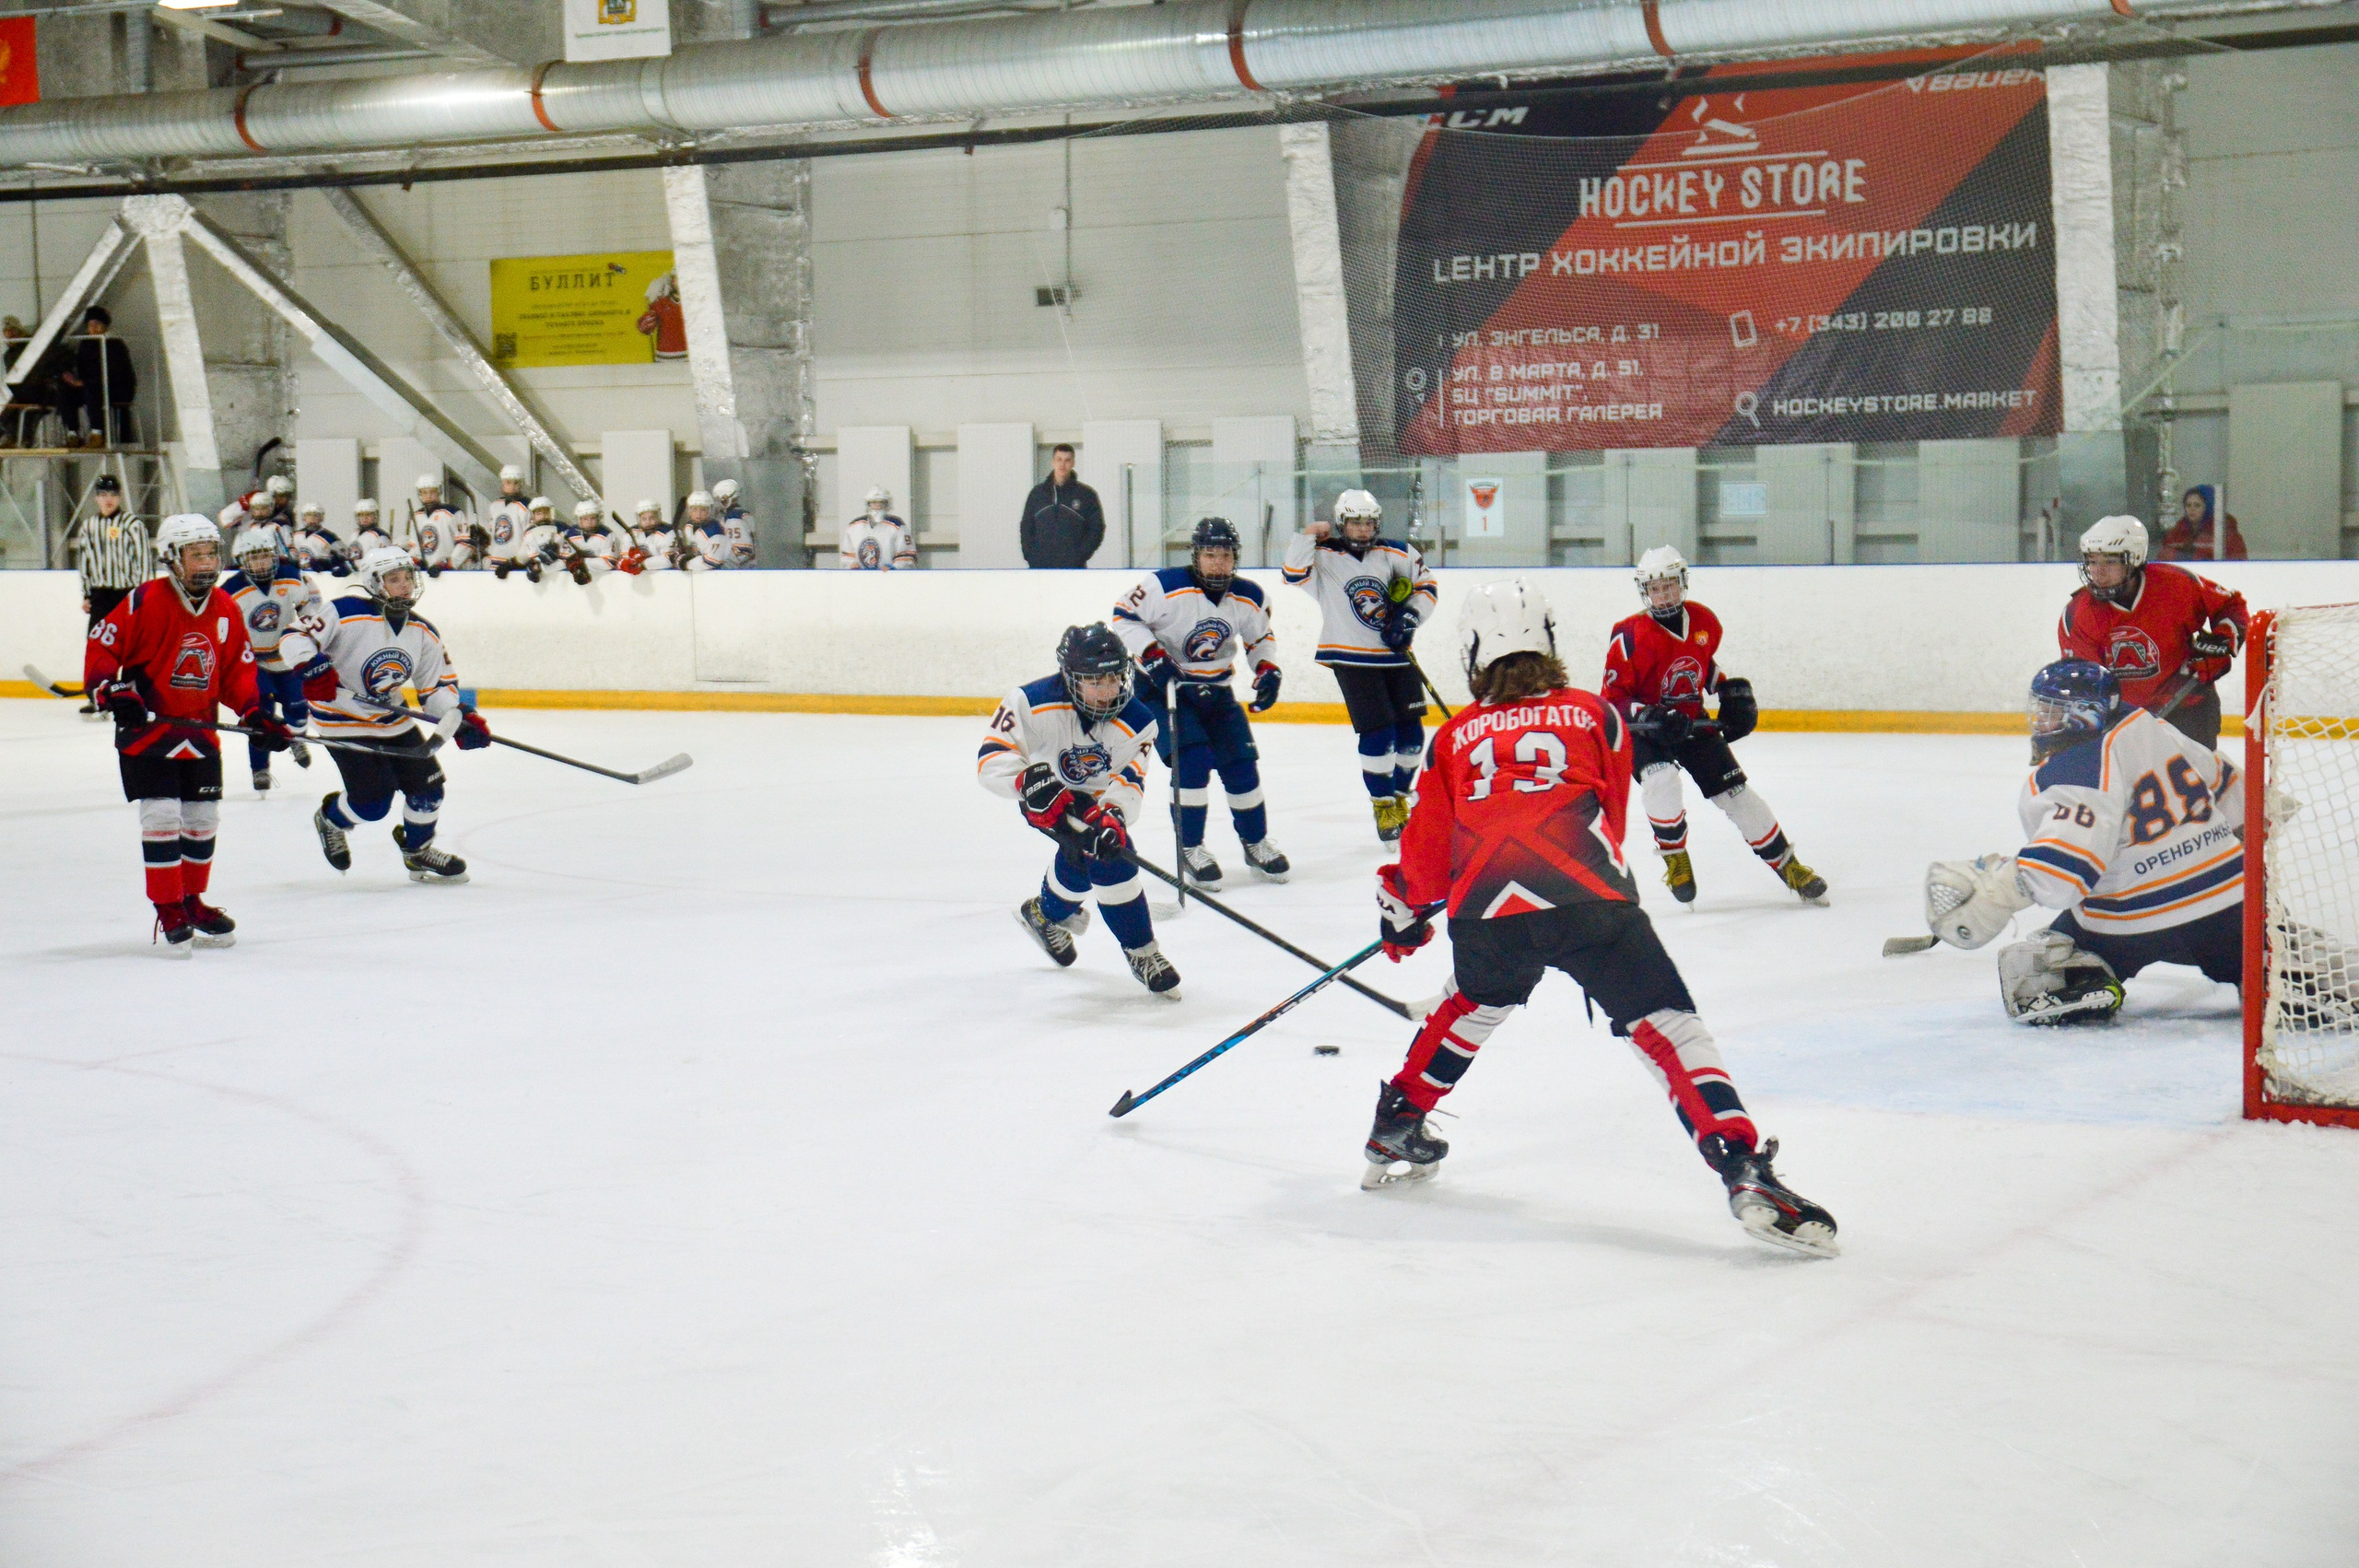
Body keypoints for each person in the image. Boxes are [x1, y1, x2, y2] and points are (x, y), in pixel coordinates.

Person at [1362, 578, 1838, 1257]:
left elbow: (1426, 859)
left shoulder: (1453, 739)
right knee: (1671, 1029)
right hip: (1590, 900)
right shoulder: (1595, 715)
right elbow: (1609, 815)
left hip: (1487, 912)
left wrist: (1403, 912)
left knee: (1470, 1005)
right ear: (1548, 642)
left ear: (1474, 652)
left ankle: (1397, 1121)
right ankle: (1741, 1169)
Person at [1921, 660, 2248, 1025]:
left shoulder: (2072, 773)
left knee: (2036, 972)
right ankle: (2274, 971)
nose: (2040, 720)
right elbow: (2226, 781)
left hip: (2132, 922)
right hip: (2228, 904)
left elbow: (2065, 872)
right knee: (2259, 948)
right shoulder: (2150, 725)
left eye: (2050, 711)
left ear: (2083, 715)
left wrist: (2000, 889)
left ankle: (2090, 983)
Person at [82, 514, 292, 953]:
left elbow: (237, 671)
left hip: (199, 734)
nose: (207, 562)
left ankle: (192, 900)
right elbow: (103, 646)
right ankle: (167, 904)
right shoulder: (145, 600)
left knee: (202, 820)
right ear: (172, 559)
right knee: (160, 815)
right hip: (148, 732)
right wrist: (112, 689)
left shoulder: (226, 608)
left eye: (211, 552)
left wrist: (256, 712)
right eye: (196, 554)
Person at [1602, 546, 1826, 906]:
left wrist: (1727, 688)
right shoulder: (1628, 635)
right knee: (1661, 780)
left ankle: (1790, 866)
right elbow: (1613, 699)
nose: (1664, 594)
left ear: (1683, 584)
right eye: (1656, 588)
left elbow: (1700, 664)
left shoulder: (1705, 621)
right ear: (1645, 591)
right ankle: (1676, 858)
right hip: (1647, 732)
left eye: (1670, 585)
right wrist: (1650, 716)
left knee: (1738, 795)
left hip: (1691, 723)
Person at [978, 623, 1179, 995]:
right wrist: (1025, 781)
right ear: (1070, 679)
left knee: (1086, 855)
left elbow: (1129, 781)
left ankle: (1043, 915)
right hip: (1046, 798)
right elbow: (991, 760)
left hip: (1097, 803)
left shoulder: (1139, 720)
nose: (1108, 691)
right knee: (1114, 858)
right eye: (1094, 682)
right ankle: (1142, 951)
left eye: (1115, 678)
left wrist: (1114, 815)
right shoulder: (1029, 700)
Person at [280, 544, 490, 885]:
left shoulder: (422, 631)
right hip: (341, 720)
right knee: (372, 805)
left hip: (393, 720)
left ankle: (417, 850)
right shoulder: (344, 610)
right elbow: (294, 637)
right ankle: (331, 819)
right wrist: (311, 665)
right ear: (375, 583)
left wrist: (457, 715)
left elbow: (434, 689)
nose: (405, 585)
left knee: (429, 790)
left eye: (408, 577)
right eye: (395, 579)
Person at [1110, 515, 1289, 886]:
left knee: (1241, 764)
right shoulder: (1164, 585)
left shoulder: (1250, 596)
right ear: (1196, 556)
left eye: (1225, 555)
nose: (1218, 563)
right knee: (1192, 760)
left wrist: (1268, 669)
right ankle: (1190, 847)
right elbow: (1124, 617)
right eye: (1210, 554)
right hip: (1162, 689)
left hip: (1216, 690)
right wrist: (1153, 655)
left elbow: (1260, 640)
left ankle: (1255, 842)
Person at [1281, 487, 1438, 842]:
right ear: (1341, 524)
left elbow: (1425, 586)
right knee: (1380, 736)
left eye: (1368, 522)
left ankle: (1399, 797)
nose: (1363, 530)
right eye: (1355, 523)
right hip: (1351, 658)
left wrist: (1410, 618)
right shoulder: (1323, 556)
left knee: (1412, 736)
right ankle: (1382, 805)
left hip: (1395, 657)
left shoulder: (1396, 551)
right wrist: (1307, 534)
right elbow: (1292, 572)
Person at [2058, 515, 2248, 749]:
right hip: (2124, 721)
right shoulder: (2078, 614)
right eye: (2092, 561)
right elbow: (2088, 687)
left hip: (2189, 709)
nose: (2098, 572)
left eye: (2109, 562)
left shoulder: (2177, 586)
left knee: (2193, 783)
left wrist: (2222, 640)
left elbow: (2230, 606)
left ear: (2134, 559)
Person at [221, 525, 322, 793]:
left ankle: (297, 737)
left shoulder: (290, 576)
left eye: (265, 555)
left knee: (299, 710)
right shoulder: (231, 590)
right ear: (243, 561)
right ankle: (260, 768)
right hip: (254, 663)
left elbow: (310, 603)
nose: (261, 562)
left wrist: (309, 629)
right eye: (253, 557)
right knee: (260, 717)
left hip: (286, 659)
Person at [70, 475, 153, 718]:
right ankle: (98, 699)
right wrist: (87, 594)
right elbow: (84, 561)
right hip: (101, 595)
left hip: (128, 595)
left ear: (119, 497)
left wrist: (144, 595)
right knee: (97, 647)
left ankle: (133, 697)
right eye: (104, 495)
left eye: (113, 495)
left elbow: (144, 561)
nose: (108, 500)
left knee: (134, 648)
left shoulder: (133, 524)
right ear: (96, 497)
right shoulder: (88, 526)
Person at [61, 305, 137, 450]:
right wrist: (72, 379)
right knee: (66, 391)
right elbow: (81, 368)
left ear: (104, 326)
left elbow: (116, 374)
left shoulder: (115, 344)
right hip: (92, 386)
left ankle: (97, 433)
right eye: (90, 325)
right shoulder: (86, 344)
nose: (93, 328)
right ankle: (72, 433)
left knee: (91, 389)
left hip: (117, 388)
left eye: (96, 324)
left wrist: (85, 382)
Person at [1018, 442, 1104, 568]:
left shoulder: (1086, 495)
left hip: (1074, 569)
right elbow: (1026, 527)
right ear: (1053, 462)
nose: (1063, 464)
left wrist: (1080, 556)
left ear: (1073, 463)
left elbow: (1096, 529)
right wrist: (1030, 556)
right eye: (1059, 460)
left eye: (1067, 460)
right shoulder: (1037, 494)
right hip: (1040, 569)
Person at [2155, 485, 2248, 562]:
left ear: (2208, 507)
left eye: (2197, 505)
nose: (2192, 509)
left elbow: (2238, 563)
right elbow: (2163, 559)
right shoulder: (2176, 533)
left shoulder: (2224, 534)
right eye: (2188, 505)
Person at [840, 486, 916, 571]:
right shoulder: (854, 526)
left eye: (882, 502)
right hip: (861, 579)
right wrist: (852, 565)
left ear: (887, 504)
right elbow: (847, 556)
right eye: (874, 502)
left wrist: (895, 568)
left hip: (889, 579)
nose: (878, 505)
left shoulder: (897, 525)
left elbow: (907, 554)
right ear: (868, 504)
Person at [409, 474, 464, 576]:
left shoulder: (453, 513)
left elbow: (465, 543)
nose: (428, 496)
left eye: (432, 492)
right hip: (424, 574)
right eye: (424, 493)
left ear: (439, 492)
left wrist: (446, 564)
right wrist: (417, 561)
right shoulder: (416, 517)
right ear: (419, 494)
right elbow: (414, 547)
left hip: (450, 573)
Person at [557, 499, 621, 582]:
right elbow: (564, 561)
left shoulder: (607, 534)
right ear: (579, 520)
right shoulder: (570, 533)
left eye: (593, 518)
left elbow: (609, 564)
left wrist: (583, 561)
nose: (589, 522)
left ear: (598, 518)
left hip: (603, 581)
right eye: (585, 519)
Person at [484, 465, 532, 573]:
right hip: (495, 563)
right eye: (508, 483)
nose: (512, 487)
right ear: (503, 484)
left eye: (516, 483)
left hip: (517, 566)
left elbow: (530, 539)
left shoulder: (527, 507)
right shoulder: (495, 505)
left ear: (521, 484)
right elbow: (493, 534)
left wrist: (517, 561)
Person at [292, 500, 347, 576]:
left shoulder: (329, 537)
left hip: (321, 578)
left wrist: (328, 563)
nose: (312, 518)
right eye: (309, 515)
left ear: (321, 518)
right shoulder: (296, 535)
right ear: (304, 517)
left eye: (315, 515)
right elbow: (292, 557)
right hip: (301, 577)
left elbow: (344, 556)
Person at [712, 477, 757, 568]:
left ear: (726, 498)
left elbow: (743, 552)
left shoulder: (734, 518)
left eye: (719, 499)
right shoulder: (738, 515)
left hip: (741, 572)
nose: (717, 503)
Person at [682, 490, 727, 570]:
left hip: (723, 575)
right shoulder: (688, 528)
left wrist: (685, 563)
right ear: (689, 510)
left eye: (703, 510)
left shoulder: (715, 531)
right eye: (694, 509)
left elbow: (712, 562)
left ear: (709, 511)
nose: (698, 515)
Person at [349, 497, 393, 561]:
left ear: (375, 516)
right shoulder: (354, 534)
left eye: (368, 514)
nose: (365, 518)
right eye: (361, 515)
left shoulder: (380, 536)